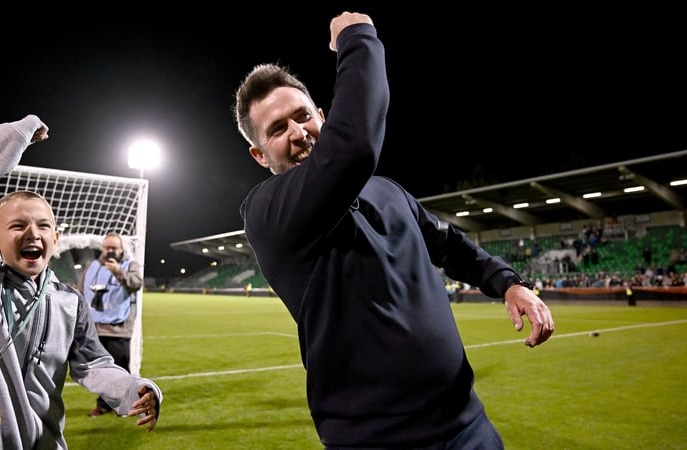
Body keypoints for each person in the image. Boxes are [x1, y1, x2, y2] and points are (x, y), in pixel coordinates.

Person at [233, 11, 555, 449]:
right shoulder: (266, 213)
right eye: (277, 129)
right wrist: (356, 38)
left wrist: (508, 283)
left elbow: (447, 244)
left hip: (468, 425)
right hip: (375, 441)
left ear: (323, 116)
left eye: (303, 116)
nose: (298, 133)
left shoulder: (385, 190)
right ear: (259, 155)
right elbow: (355, 146)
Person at [0, 114, 162, 449]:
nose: (32, 233)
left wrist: (135, 389)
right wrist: (17, 133)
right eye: (17, 226)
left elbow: (94, 364)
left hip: (44, 441)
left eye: (43, 226)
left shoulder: (69, 301)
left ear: (56, 238)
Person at [78, 231, 143, 417]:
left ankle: (129, 403)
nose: (110, 251)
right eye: (107, 248)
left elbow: (136, 284)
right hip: (95, 328)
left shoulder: (130, 265)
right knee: (100, 372)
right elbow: (81, 291)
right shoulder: (92, 267)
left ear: (121, 249)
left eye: (114, 248)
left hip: (118, 329)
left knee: (121, 370)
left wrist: (117, 271)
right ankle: (104, 404)